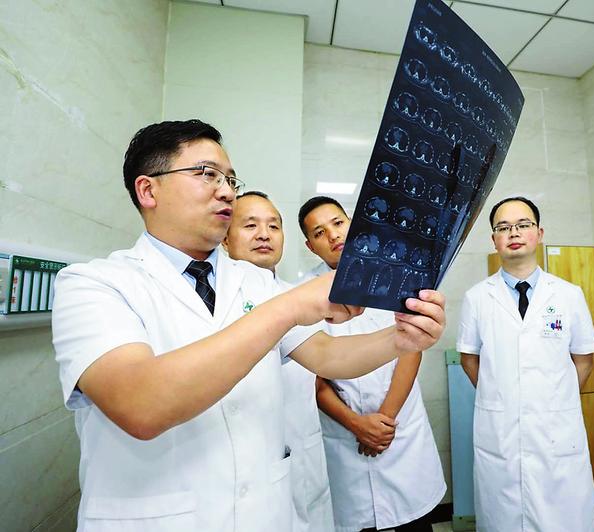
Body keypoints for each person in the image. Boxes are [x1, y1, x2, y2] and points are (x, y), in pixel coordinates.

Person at [51, 120, 446, 532]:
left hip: (263, 514)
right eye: (206, 174)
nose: (226, 191)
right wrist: (289, 307)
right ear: (148, 190)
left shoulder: (254, 282)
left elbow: (329, 356)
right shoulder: (93, 284)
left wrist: (400, 337)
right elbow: (140, 404)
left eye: (230, 179)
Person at [298, 196, 446, 532]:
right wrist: (357, 425)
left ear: (353, 223)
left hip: (399, 430)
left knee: (415, 523)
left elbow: (411, 348)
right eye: (319, 232)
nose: (333, 235)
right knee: (357, 523)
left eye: (338, 223)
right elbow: (312, 374)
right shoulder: (303, 293)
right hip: (345, 436)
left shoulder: (398, 273)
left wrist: (385, 420)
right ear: (310, 246)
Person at [457, 196, 594, 531]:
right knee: (506, 518)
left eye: (523, 225)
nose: (514, 233)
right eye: (503, 227)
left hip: (557, 431)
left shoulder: (568, 294)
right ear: (494, 239)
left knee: (565, 519)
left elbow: (584, 360)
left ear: (539, 233)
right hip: (501, 433)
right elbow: (469, 359)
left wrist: (555, 398)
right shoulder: (477, 298)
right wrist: (504, 395)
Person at [223, 190, 334, 532]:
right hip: (244, 471)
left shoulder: (300, 298)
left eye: (273, 226)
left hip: (303, 454)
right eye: (250, 225)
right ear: (225, 239)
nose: (264, 234)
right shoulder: (214, 304)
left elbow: (326, 360)